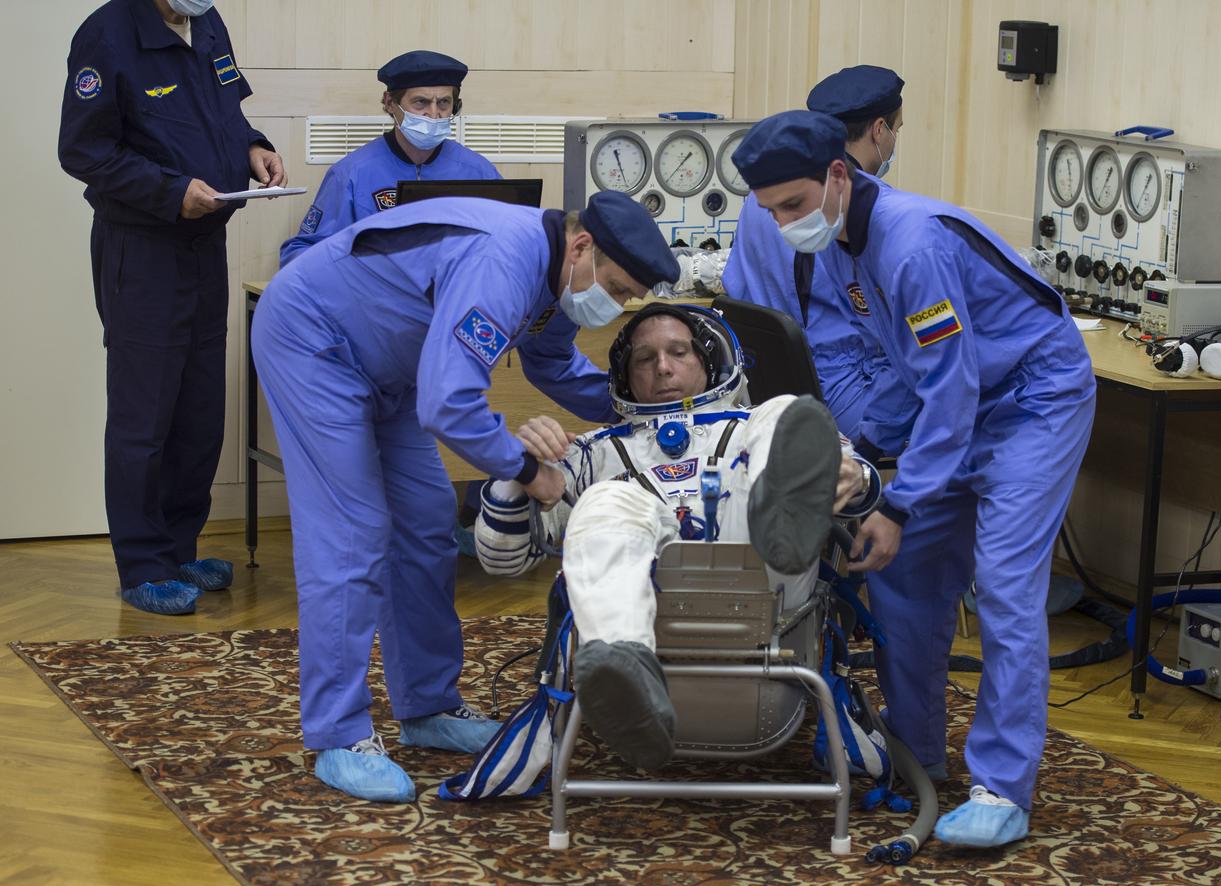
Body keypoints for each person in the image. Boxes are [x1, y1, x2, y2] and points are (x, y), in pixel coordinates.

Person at [733, 111, 1097, 847]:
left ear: (840, 174)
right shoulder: (835, 246)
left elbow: (952, 385)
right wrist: (857, 452)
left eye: (793, 205)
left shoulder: (912, 241)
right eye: (770, 212)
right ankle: (916, 752)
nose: (782, 224)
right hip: (958, 404)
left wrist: (898, 497)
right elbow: (902, 369)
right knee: (900, 575)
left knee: (1002, 581)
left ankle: (1002, 785)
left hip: (1033, 398)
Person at [251, 190, 679, 803]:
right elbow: (449, 403)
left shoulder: (561, 275)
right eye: (614, 287)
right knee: (354, 532)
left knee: (426, 521)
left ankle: (426, 706)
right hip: (314, 343)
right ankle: (337, 733)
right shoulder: (506, 261)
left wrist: (635, 410)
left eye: (628, 299)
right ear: (582, 246)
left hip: (394, 371)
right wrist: (529, 469)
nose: (613, 305)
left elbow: (552, 365)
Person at [473, 303, 878, 770]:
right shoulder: (593, 452)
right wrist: (515, 468)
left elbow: (860, 480)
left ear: (709, 363)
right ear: (626, 377)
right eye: (644, 359)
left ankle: (784, 512)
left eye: (678, 352)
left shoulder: (757, 427)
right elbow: (501, 561)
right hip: (648, 616)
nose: (662, 367)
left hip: (769, 601)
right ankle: (622, 665)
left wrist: (852, 478)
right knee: (607, 501)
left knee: (785, 411)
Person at [58, 0, 287, 616]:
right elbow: (84, 151)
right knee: (144, 414)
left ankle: (180, 548)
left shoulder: (207, 23)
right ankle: (142, 564)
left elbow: (223, 114)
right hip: (143, 247)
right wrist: (168, 191)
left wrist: (254, 148)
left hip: (204, 243)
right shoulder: (107, 34)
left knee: (198, 408)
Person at [723, 65, 914, 448]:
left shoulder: (764, 195)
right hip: (848, 392)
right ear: (879, 130)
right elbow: (896, 342)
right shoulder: (861, 210)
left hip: (770, 391)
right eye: (897, 130)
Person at [279, 50, 501, 266]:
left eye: (443, 103)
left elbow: (513, 241)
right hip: (375, 299)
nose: (433, 114)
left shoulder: (479, 171)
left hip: (458, 297)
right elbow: (300, 255)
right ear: (390, 103)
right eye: (420, 102)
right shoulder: (352, 174)